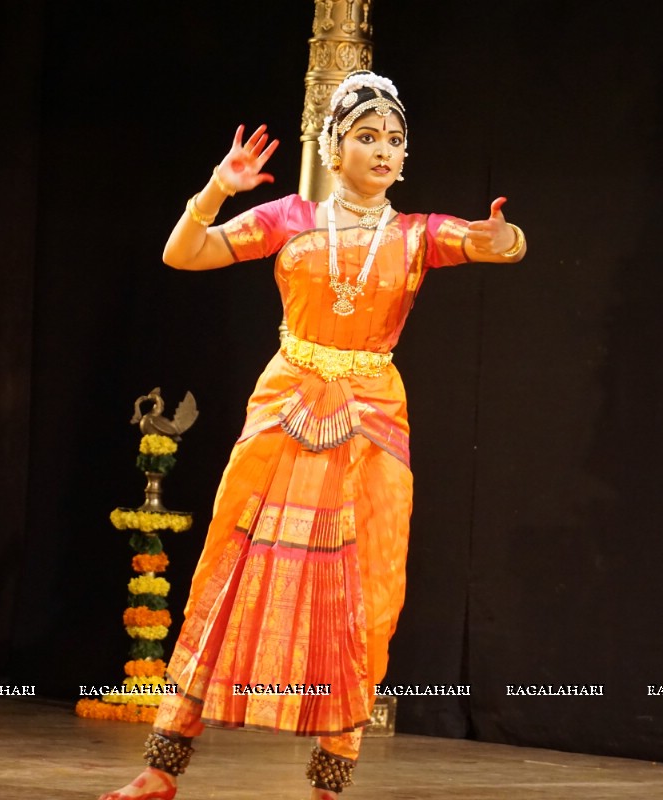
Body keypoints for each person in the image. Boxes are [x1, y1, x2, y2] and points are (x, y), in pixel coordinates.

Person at [98, 70, 526, 800]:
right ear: (334, 148)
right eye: (367, 137)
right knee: (229, 563)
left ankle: (332, 779)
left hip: (372, 414)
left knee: (367, 584)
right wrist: (217, 189)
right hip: (286, 400)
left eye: (395, 139)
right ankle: (162, 767)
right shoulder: (289, 219)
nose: (385, 151)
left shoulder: (417, 235)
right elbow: (183, 253)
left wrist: (502, 235)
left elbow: (504, 246)